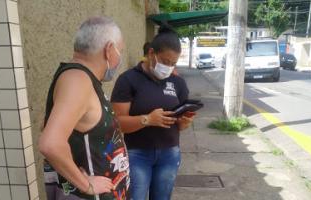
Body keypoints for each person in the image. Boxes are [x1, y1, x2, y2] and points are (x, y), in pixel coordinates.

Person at [39, 16, 130, 200]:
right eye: (120, 51)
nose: (119, 58)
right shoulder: (78, 81)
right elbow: (50, 144)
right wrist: (85, 184)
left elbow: (48, 125)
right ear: (109, 49)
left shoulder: (82, 79)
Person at [111, 25, 195, 200]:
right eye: (165, 61)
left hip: (169, 154)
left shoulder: (177, 82)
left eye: (173, 64)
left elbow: (180, 123)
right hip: (137, 154)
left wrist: (184, 123)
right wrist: (147, 119)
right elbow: (116, 124)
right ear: (151, 54)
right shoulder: (128, 80)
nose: (169, 67)